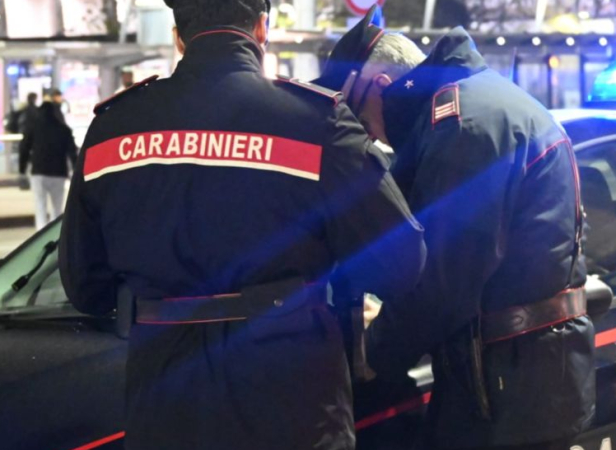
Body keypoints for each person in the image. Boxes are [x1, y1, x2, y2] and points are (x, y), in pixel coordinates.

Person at [57, 0, 425, 449]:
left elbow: (85, 287)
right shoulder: (316, 122)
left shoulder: (112, 129)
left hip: (165, 405)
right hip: (292, 403)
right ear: (261, 28)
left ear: (178, 37)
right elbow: (401, 263)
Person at [317, 8, 594, 450]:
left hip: (508, 396)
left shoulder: (463, 127)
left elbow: (442, 281)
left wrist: (368, 356)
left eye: (363, 123)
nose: (374, 138)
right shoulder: (476, 104)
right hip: (524, 380)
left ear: (381, 86)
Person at [18, 92, 77, 229]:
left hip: (39, 172)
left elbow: (24, 148)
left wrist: (22, 169)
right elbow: (72, 152)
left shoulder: (33, 127)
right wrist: (76, 170)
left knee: (40, 206)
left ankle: (41, 232)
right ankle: (56, 235)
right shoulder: (64, 129)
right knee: (57, 208)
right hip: (58, 172)